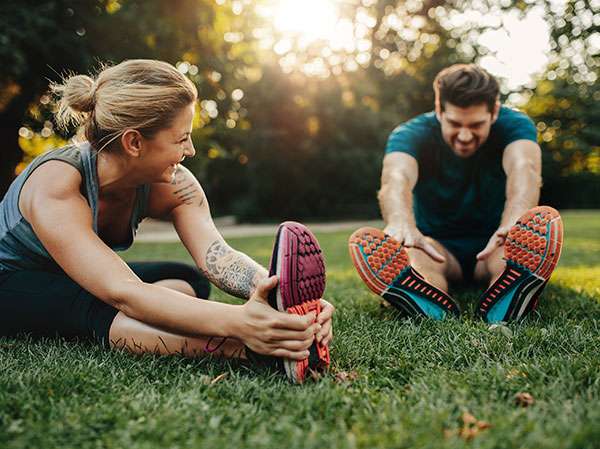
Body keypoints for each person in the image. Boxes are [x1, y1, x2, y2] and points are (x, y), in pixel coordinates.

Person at [0, 59, 333, 382]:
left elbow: (217, 257)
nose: (190, 150)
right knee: (100, 304)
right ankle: (250, 351)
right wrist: (240, 322)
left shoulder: (174, 184)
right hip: (11, 282)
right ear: (134, 142)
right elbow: (122, 291)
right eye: (180, 138)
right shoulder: (56, 183)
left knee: (187, 281)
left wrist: (283, 299)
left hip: (74, 280)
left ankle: (139, 322)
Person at [349, 64, 563, 323]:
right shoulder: (410, 134)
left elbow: (524, 167)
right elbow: (396, 177)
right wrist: (401, 223)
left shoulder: (515, 125)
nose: (464, 135)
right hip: (438, 247)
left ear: (494, 112)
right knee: (417, 258)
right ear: (439, 110)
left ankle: (511, 292)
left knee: (509, 258)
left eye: (476, 125)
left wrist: (514, 223)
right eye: (454, 123)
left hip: (494, 242)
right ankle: (425, 297)